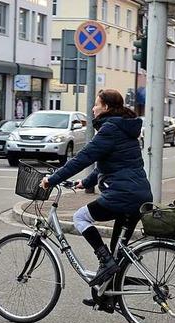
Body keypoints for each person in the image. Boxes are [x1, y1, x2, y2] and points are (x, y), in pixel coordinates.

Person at [40, 89, 152, 305]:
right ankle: (106, 298)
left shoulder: (109, 129)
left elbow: (84, 158)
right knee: (117, 255)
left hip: (123, 195)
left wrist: (52, 179)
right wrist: (86, 182)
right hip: (139, 194)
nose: (93, 108)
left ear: (106, 108)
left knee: (81, 217)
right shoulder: (124, 128)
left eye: (96, 104)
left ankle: (104, 261)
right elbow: (111, 162)